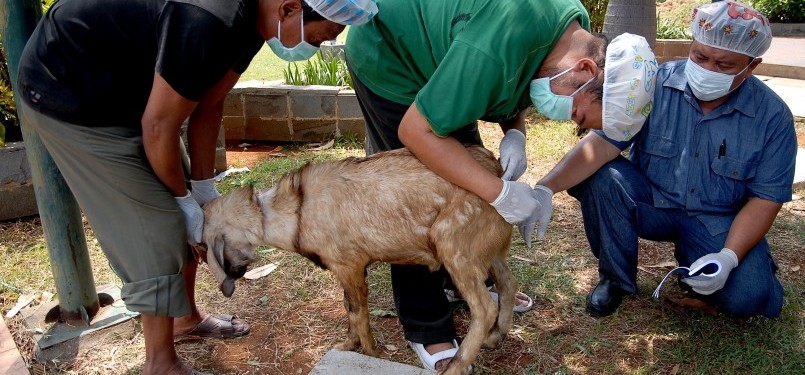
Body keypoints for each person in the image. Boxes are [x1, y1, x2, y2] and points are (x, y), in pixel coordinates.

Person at [16, 0, 376, 374]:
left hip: (126, 92)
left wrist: (202, 190)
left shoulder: (252, 21)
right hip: (67, 89)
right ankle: (161, 364)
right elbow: (157, 128)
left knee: (190, 204)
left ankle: (185, 319)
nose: (315, 48)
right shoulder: (209, 19)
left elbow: (210, 103)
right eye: (321, 37)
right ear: (288, 9)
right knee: (158, 226)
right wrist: (181, 202)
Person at [344, 0, 653, 370]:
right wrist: (499, 193)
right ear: (585, 68)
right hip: (392, 59)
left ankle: (460, 278)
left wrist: (516, 132)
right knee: (419, 196)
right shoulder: (491, 50)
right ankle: (427, 326)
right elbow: (417, 130)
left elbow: (524, 71)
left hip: (451, 59)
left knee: (464, 168)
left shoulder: (574, 30)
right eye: (578, 114)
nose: (569, 120)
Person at [534, 1, 793, 319]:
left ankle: (714, 261)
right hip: (651, 203)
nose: (708, 70)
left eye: (724, 65)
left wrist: (729, 256)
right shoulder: (653, 84)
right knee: (602, 177)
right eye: (700, 56)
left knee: (749, 300)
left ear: (751, 66)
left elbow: (765, 199)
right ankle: (615, 280)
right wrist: (544, 189)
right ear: (692, 45)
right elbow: (601, 145)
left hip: (715, 221)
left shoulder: (772, 117)